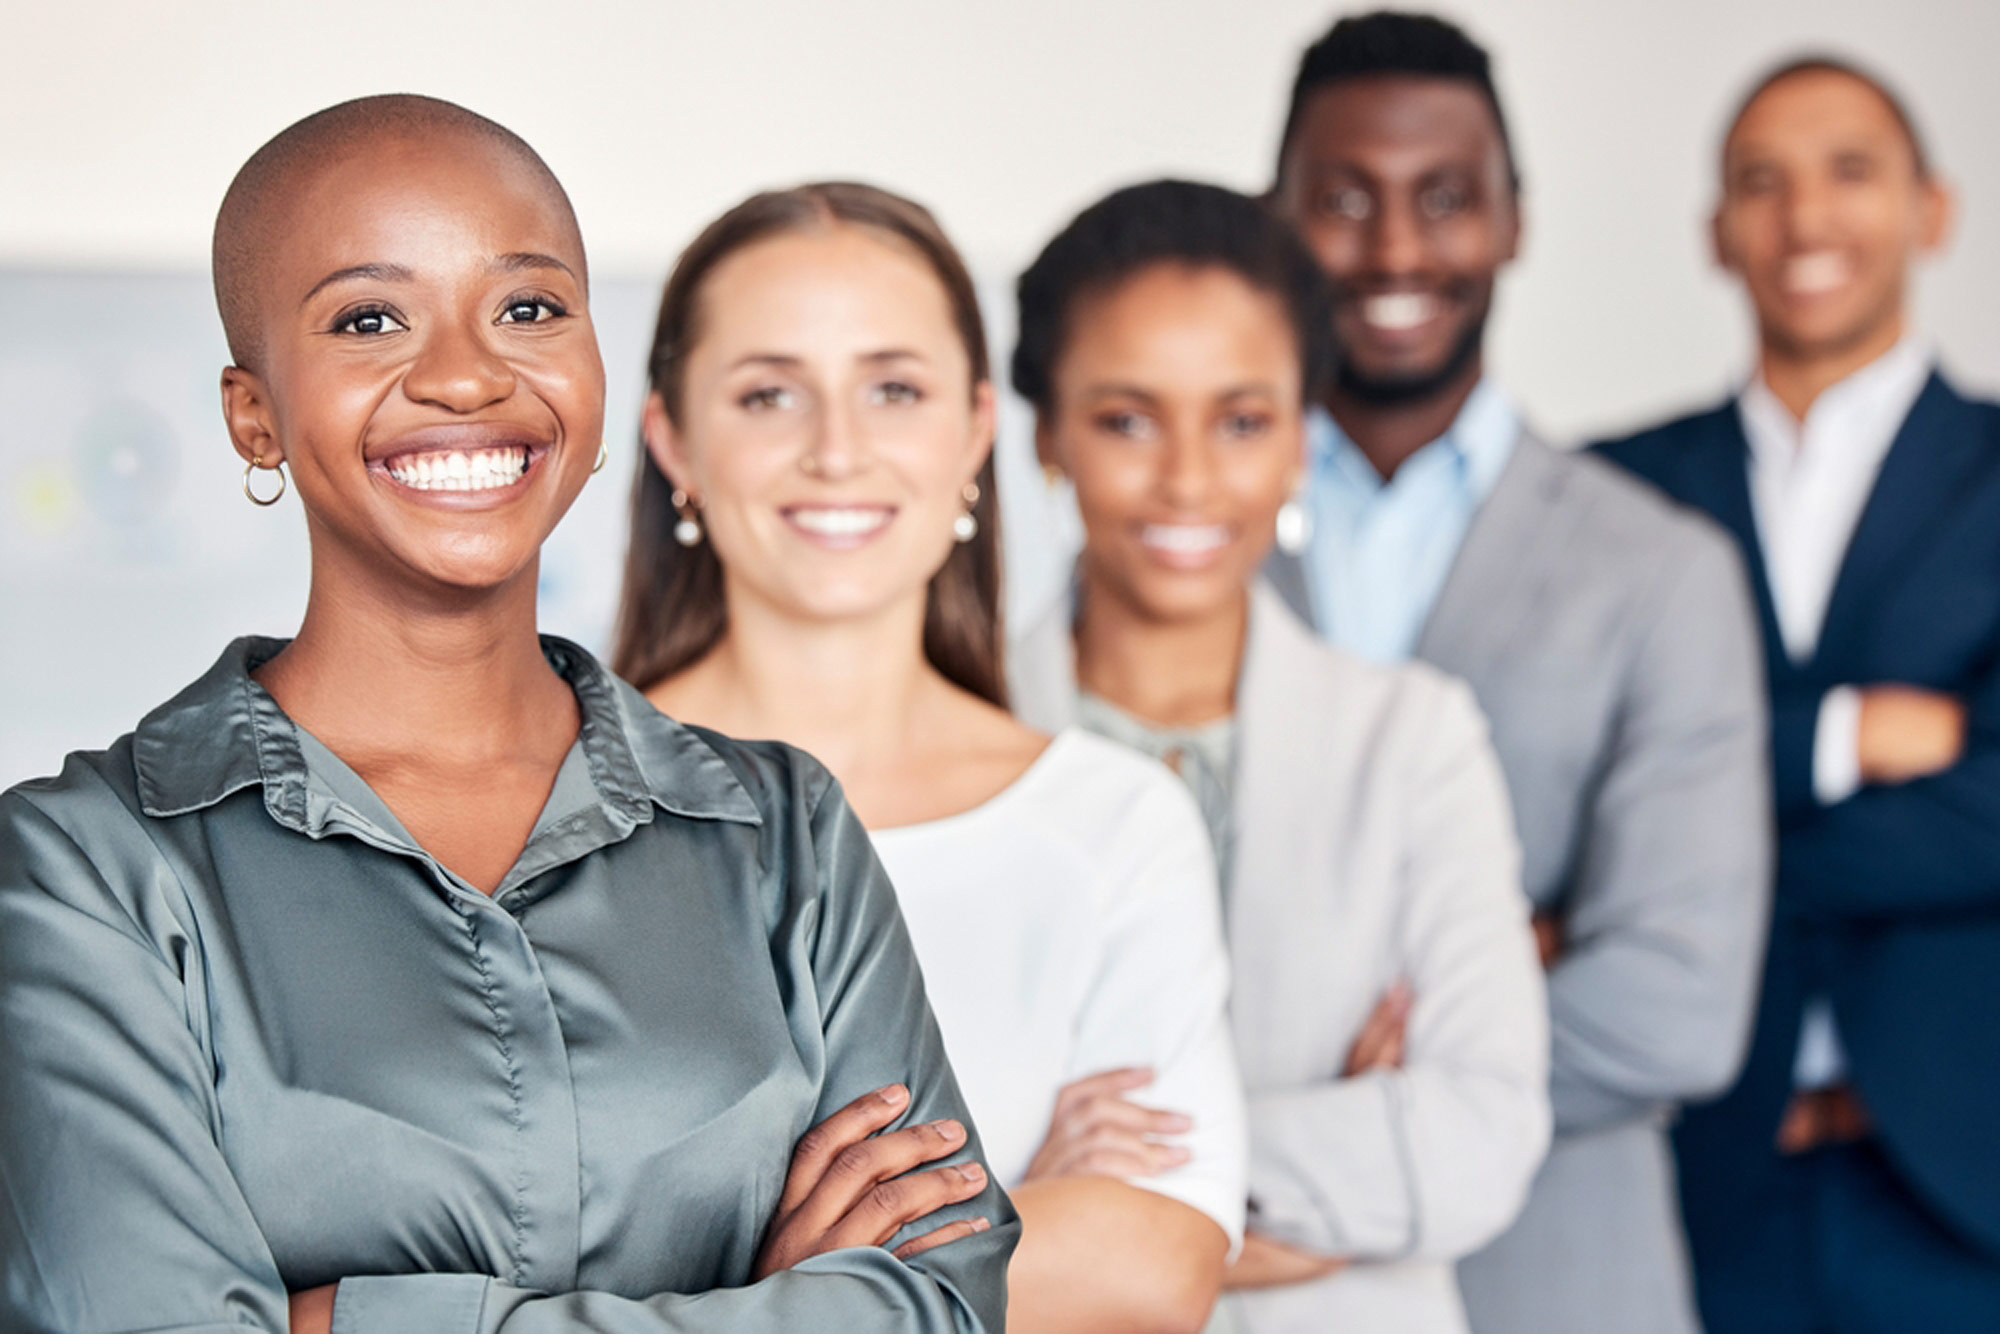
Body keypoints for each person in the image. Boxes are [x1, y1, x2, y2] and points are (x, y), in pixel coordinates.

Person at [0, 96, 1017, 1333]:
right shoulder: (84, 872)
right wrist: (764, 1304)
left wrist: (354, 1321)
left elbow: (938, 1304)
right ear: (250, 413)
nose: (469, 374)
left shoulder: (782, 829)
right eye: (369, 318)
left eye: (528, 308)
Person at [612, 181, 1245, 1333]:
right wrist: (1002, 1209)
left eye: (892, 388)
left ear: (974, 431)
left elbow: (1153, 1268)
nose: (837, 449)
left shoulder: (1108, 823)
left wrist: (742, 1285)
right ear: (673, 441)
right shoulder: (546, 798)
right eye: (768, 393)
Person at [1259, 14, 1774, 1334]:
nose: (1393, 249)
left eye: (1444, 199)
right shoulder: (1179, 537)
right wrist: (1505, 959)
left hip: (1557, 1279)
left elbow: (1677, 1006)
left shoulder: (1660, 570)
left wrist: (1282, 1074)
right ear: (1278, 217)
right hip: (1227, 1285)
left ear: (1515, 221)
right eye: (1342, 199)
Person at [1007, 176, 1550, 1333]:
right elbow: (890, 1175)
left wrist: (1082, 1193)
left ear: (1303, 439)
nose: (1189, 480)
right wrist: (1344, 1145)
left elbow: (1481, 1138)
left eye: (1242, 419)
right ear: (1045, 433)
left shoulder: (1412, 739)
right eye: (1125, 418)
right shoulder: (943, 730)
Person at [1598, 57, 2000, 1332]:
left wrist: (1686, 841)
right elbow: (1578, 800)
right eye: (1760, 183)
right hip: (1697, 1177)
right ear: (1717, 233)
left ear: (1931, 210)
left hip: (1960, 1179)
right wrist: (1841, 737)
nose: (1805, 218)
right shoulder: (1612, 498)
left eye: (1848, 172)